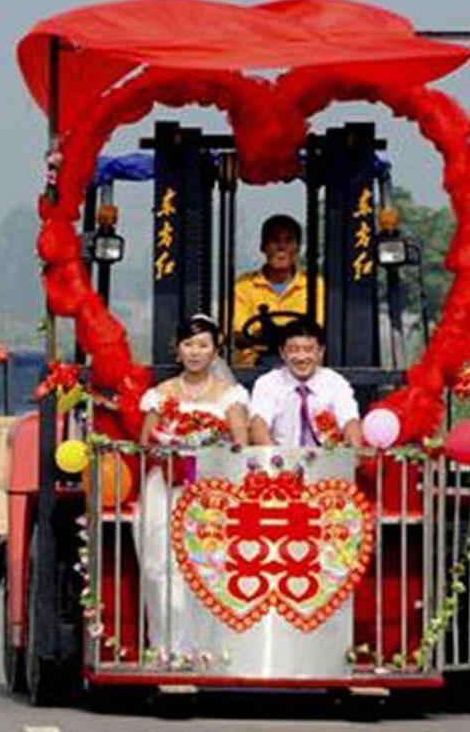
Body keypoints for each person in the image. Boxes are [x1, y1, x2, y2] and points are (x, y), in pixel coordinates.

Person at [134, 314, 250, 656]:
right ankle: (167, 646)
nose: (195, 352)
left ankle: (206, 648)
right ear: (177, 349)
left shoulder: (230, 395)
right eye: (188, 344)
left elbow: (240, 444)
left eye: (203, 345)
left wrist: (209, 449)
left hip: (211, 492)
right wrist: (169, 448)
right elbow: (146, 442)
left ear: (215, 350)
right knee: (160, 565)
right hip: (166, 487)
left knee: (209, 565)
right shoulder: (161, 394)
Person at [248, 318, 364, 447]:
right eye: (293, 350)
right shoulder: (267, 383)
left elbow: (350, 421)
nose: (301, 357)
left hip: (328, 456)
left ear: (321, 352)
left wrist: (353, 447)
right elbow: (258, 424)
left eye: (308, 350)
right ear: (282, 353)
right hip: (281, 455)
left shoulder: (335, 382)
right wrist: (276, 457)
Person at [231, 214, 325, 366]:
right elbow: (238, 332)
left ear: (298, 248)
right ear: (263, 246)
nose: (281, 247)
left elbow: (319, 329)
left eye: (288, 241)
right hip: (253, 369)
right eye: (274, 241)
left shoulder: (315, 286)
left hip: (303, 365)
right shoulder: (243, 286)